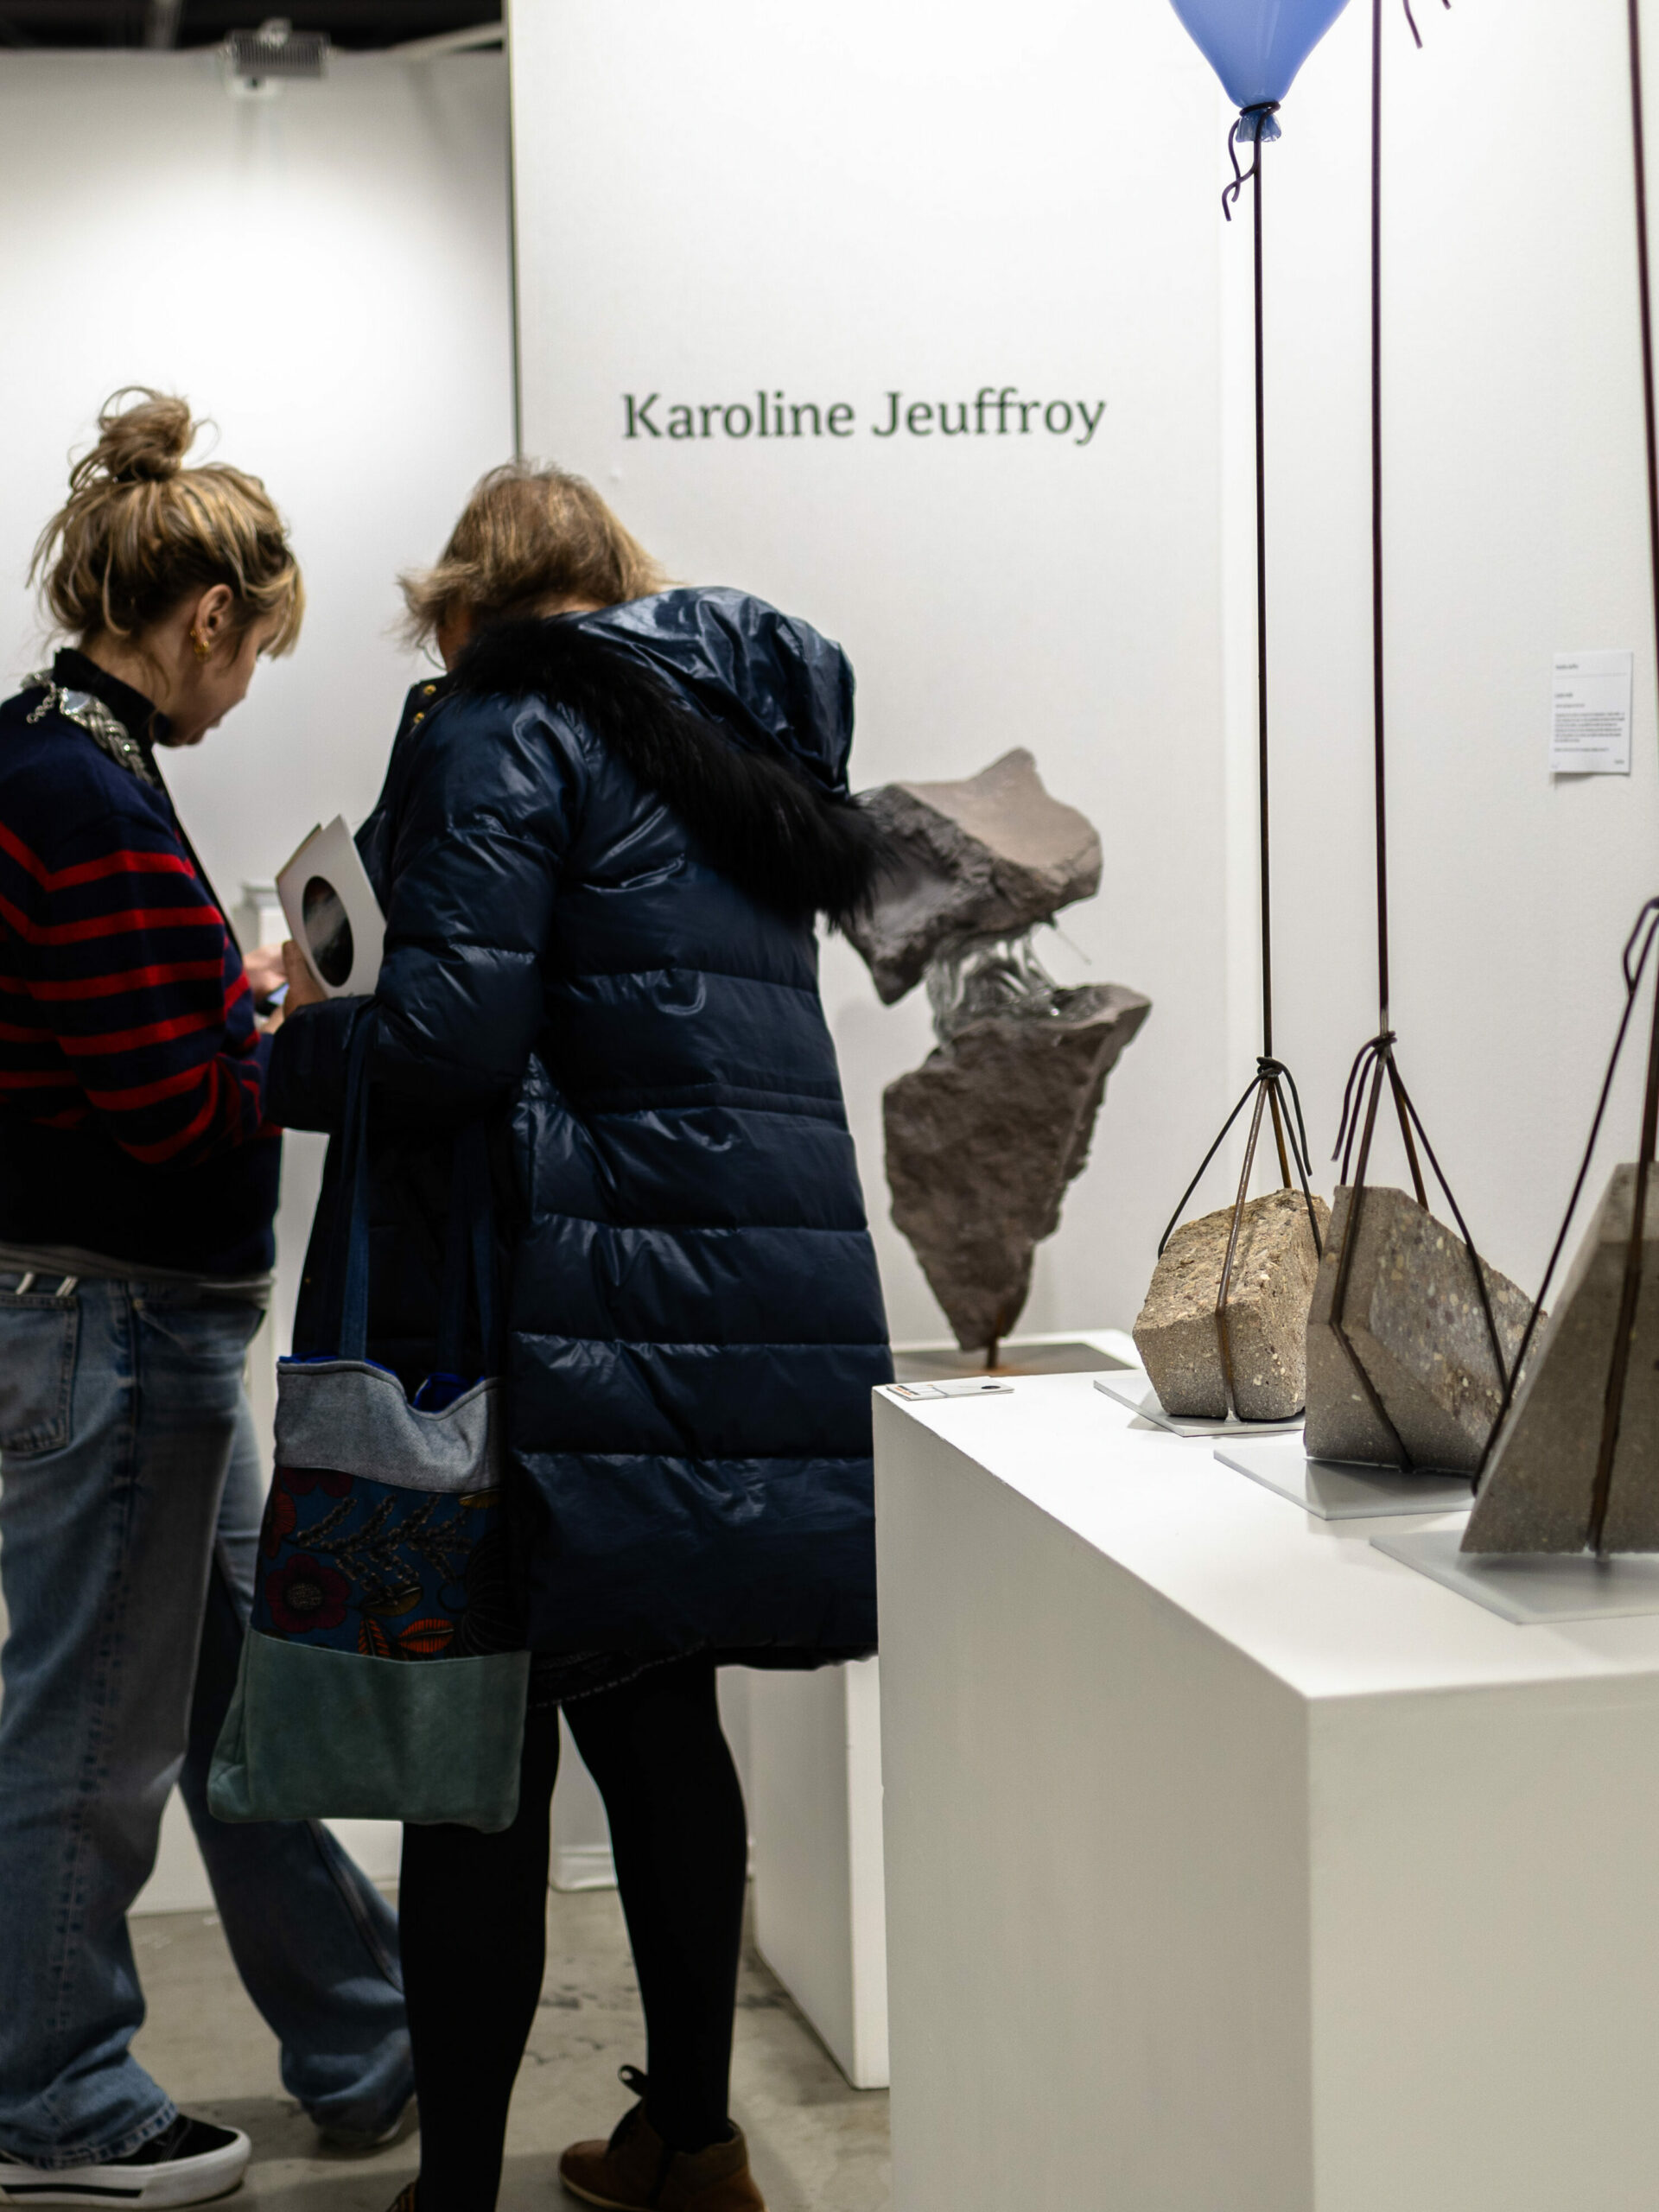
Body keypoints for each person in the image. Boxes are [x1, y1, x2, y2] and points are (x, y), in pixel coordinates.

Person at [267, 461, 893, 2212]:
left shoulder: (502, 726)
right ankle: (691, 2144)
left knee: (477, 1761)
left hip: (540, 1312)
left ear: (462, 609)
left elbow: (450, 1041)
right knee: (659, 1718)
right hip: (714, 1316)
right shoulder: (735, 737)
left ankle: (456, 2191)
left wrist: (292, 1039)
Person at [0, 392, 412, 2209]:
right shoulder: (79, 792)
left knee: (247, 1696)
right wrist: (289, 1024)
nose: (247, 690)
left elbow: (123, 1050)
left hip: (130, 1324)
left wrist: (230, 1000)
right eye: (255, 653)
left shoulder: (66, 757)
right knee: (93, 1726)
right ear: (210, 615)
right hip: (114, 1326)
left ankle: (367, 2031)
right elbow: (167, 1111)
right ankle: (56, 2100)